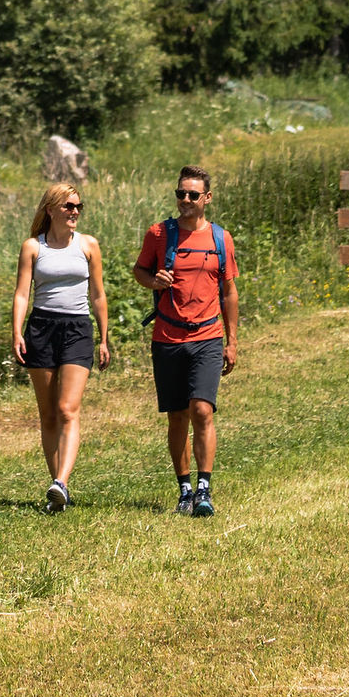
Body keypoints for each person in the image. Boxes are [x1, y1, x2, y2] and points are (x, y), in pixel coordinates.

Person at [133, 161, 237, 516]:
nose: (186, 200)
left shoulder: (221, 238)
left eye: (193, 195)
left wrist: (232, 341)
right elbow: (140, 270)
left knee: (202, 410)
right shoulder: (159, 234)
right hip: (167, 337)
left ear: (207, 198)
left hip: (207, 336)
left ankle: (204, 489)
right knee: (177, 416)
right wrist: (153, 281)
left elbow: (229, 292)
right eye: (181, 193)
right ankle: (184, 490)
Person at [10, 178, 109, 512]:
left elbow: (98, 295)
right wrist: (17, 332)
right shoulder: (33, 247)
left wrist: (104, 338)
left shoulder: (88, 245)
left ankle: (61, 482)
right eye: (69, 206)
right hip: (41, 328)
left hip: (77, 329)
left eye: (78, 206)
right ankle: (58, 490)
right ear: (51, 209)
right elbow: (22, 293)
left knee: (68, 409)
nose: (75, 211)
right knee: (49, 415)